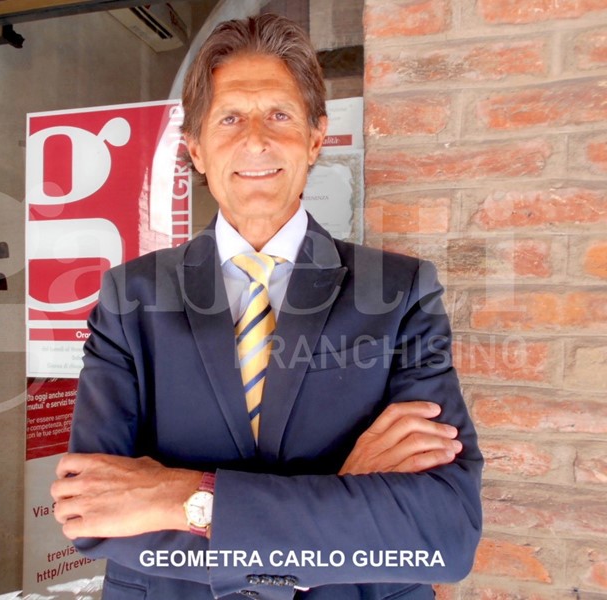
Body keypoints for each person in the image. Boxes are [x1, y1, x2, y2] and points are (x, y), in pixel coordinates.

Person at [51, 13, 482, 600]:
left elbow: (443, 531)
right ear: (196, 148)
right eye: (230, 118)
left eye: (279, 115)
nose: (255, 139)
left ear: (315, 138)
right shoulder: (130, 299)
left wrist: (181, 497)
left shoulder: (400, 292)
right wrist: (344, 491)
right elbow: (93, 513)